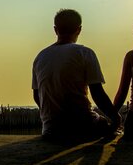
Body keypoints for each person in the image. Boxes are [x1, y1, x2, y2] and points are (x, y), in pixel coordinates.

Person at [32, 9, 121, 141]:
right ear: (79, 30)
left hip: (50, 130)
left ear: (55, 30)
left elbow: (37, 95)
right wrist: (116, 118)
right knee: (104, 124)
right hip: (83, 127)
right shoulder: (85, 53)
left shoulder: (40, 57)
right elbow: (97, 94)